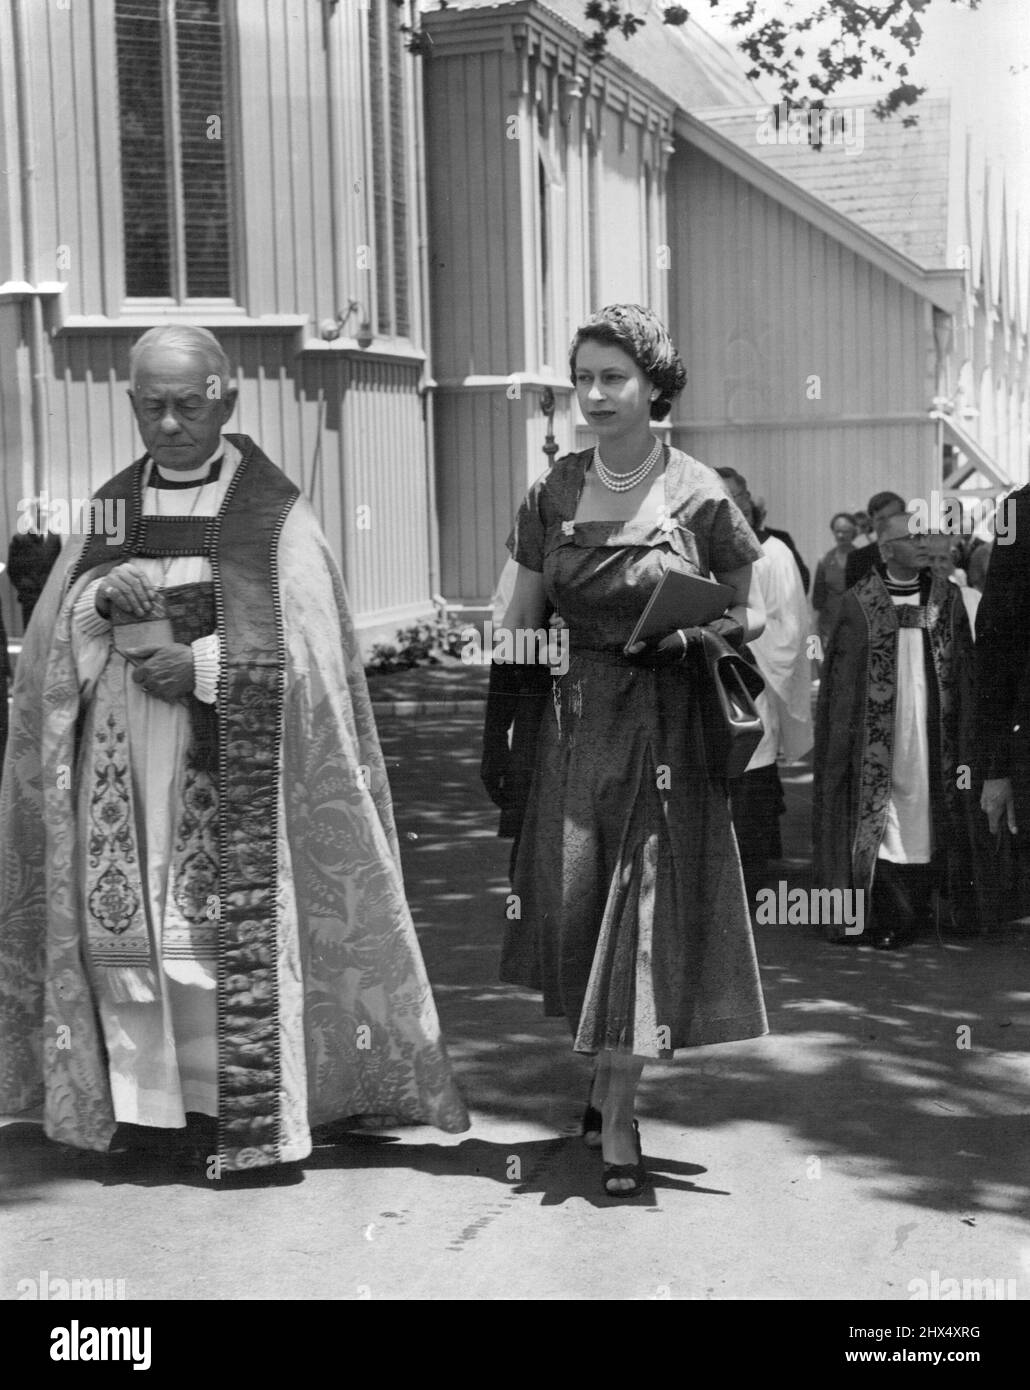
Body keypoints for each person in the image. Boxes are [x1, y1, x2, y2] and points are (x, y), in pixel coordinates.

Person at [0, 325, 468, 1175]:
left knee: (209, 940)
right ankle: (146, 1108)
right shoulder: (111, 506)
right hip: (122, 758)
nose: (169, 423)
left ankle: (233, 1110)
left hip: (231, 759)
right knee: (130, 933)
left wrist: (207, 666)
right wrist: (104, 596)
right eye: (152, 406)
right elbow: (50, 645)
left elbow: (316, 652)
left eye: (187, 404)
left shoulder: (273, 513)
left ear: (227, 398)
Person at [499, 304, 768, 1197]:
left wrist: (692, 638)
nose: (594, 394)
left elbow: (750, 607)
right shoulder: (552, 492)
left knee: (643, 915)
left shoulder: (698, 492)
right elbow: (519, 625)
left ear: (654, 385)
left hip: (668, 728)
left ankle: (618, 1118)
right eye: (582, 378)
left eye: (613, 377)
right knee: (582, 917)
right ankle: (605, 1078)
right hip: (577, 732)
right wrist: (511, 722)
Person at [814, 514, 986, 949]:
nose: (924, 543)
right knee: (885, 819)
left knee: (926, 814)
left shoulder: (946, 598)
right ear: (887, 550)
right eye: (912, 538)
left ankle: (927, 904)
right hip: (879, 737)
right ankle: (893, 913)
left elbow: (963, 671)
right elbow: (842, 682)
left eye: (925, 535)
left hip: (932, 732)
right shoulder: (859, 602)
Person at [716, 473, 813, 900]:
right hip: (709, 680)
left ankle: (752, 880)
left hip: (751, 679)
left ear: (749, 502)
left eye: (735, 499)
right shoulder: (703, 551)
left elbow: (791, 624)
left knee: (752, 781)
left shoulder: (773, 553)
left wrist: (748, 654)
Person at [480, 557, 553, 877]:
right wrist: (494, 737)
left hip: (638, 710)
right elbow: (513, 639)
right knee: (534, 856)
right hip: (544, 714)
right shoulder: (542, 537)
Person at [811, 512, 858, 653]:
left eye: (845, 531)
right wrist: (814, 632)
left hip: (855, 627)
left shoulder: (863, 558)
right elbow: (817, 600)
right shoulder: (825, 560)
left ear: (853, 532)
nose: (841, 536)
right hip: (830, 627)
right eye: (837, 531)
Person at [844, 491, 906, 589]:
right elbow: (852, 602)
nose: (888, 523)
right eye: (881, 519)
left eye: (893, 517)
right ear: (872, 522)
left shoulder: (919, 555)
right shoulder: (856, 560)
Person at [750, 493, 810, 593]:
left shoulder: (782, 538)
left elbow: (801, 574)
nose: (754, 516)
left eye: (756, 511)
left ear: (763, 514)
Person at [8, 524, 62, 625]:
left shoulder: (55, 539)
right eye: (38, 512)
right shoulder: (20, 539)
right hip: (30, 598)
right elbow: (13, 570)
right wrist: (26, 588)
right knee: (31, 631)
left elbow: (60, 567)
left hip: (51, 597)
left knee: (50, 631)